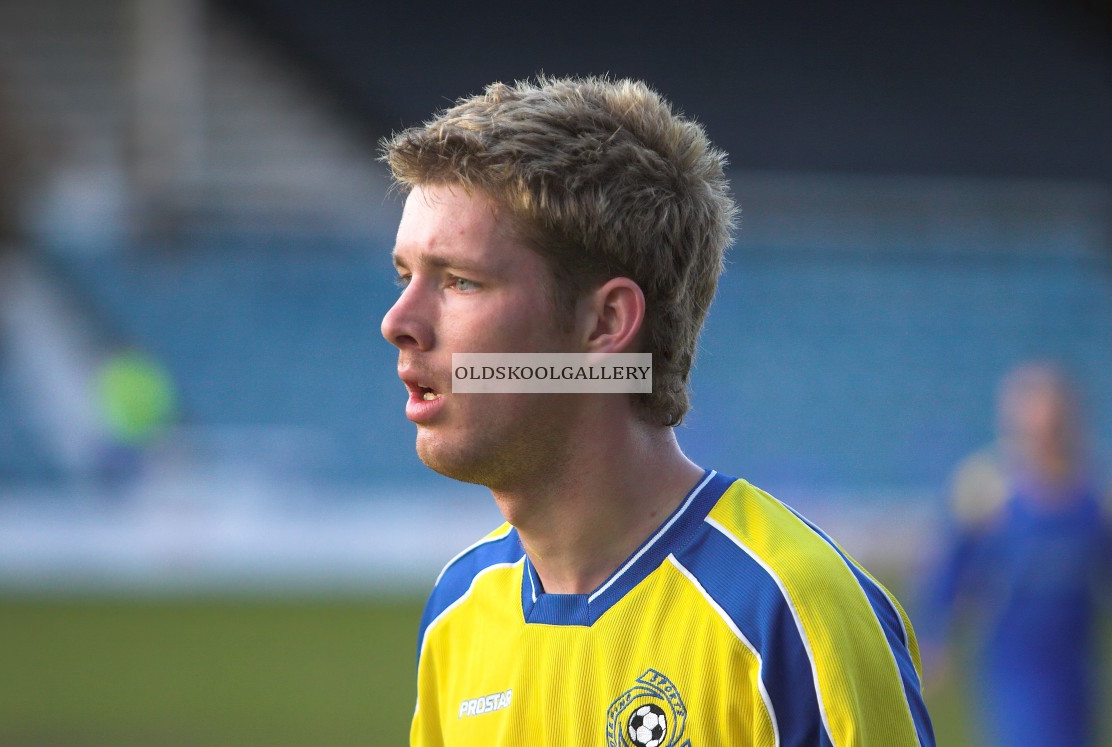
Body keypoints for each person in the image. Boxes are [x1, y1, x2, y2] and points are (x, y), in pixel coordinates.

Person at [380, 76, 934, 747]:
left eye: (460, 280)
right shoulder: (458, 611)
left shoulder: (787, 610)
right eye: (405, 276)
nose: (398, 322)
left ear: (606, 322)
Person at [919, 362, 1110, 747]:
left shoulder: (1092, 495)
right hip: (1013, 660)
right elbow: (949, 571)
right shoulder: (987, 491)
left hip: (1074, 660)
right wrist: (934, 635)